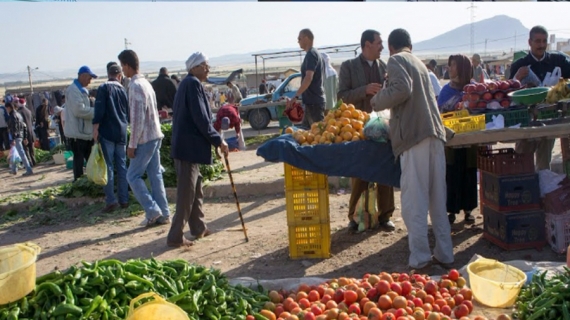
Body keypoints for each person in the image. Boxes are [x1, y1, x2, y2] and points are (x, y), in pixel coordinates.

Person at [371, 28, 454, 272]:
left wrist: (377, 101)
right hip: (435, 136)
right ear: (411, 45)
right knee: (437, 201)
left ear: (390, 46)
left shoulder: (396, 60)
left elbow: (401, 89)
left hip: (415, 138)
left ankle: (420, 259)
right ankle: (445, 254)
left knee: (414, 202)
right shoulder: (418, 62)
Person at [167, 52, 229, 247]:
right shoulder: (192, 84)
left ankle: (199, 228)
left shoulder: (188, 84)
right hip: (188, 148)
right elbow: (201, 119)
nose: (208, 68)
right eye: (204, 65)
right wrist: (218, 140)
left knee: (196, 187)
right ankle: (175, 236)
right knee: (186, 194)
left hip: (187, 147)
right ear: (194, 68)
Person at [338, 29, 395, 232]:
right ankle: (355, 217)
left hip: (383, 125)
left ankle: (385, 215)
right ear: (367, 45)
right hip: (358, 128)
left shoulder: (385, 66)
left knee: (385, 169)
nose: (382, 46)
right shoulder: (348, 67)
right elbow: (342, 96)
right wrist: (364, 90)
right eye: (378, 43)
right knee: (359, 171)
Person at [118, 49, 170, 227]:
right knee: (155, 175)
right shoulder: (146, 83)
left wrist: (132, 144)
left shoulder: (135, 86)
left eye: (122, 66)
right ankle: (164, 213)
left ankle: (152, 209)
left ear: (126, 65)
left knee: (132, 176)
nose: (122, 71)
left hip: (145, 138)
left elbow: (138, 119)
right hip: (155, 135)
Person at [510, 26, 570, 171]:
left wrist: (561, 87)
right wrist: (517, 78)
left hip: (551, 117)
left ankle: (544, 189)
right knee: (522, 162)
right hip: (526, 119)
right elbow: (509, 91)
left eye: (544, 41)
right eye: (537, 41)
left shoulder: (558, 60)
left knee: (544, 164)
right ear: (529, 42)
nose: (541, 45)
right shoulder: (519, 65)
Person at [437, 55, 478, 224]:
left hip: (470, 137)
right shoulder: (446, 90)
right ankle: (452, 211)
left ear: (462, 68)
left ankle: (468, 210)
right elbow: (439, 111)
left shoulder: (474, 89)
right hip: (452, 140)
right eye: (450, 65)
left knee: (469, 171)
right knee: (452, 172)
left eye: (453, 65)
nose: (450, 69)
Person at [93, 63, 130, 213]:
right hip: (121, 132)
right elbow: (127, 112)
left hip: (107, 132)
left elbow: (99, 110)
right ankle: (124, 199)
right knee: (122, 166)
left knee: (107, 166)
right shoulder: (123, 90)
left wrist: (95, 128)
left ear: (109, 74)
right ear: (120, 76)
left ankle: (111, 200)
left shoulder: (103, 88)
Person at [287, 28, 325, 129]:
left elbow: (308, 78)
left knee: (318, 135)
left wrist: (296, 96)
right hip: (311, 102)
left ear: (306, 38)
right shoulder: (314, 54)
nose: (298, 41)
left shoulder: (311, 55)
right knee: (306, 135)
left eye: (299, 38)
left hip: (314, 103)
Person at [64, 66, 97, 181]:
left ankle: (90, 180)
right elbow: (79, 110)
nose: (90, 81)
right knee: (78, 159)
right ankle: (78, 182)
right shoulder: (73, 90)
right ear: (82, 76)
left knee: (88, 159)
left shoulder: (81, 90)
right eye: (89, 78)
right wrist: (97, 112)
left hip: (84, 132)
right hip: (77, 133)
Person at [5, 102, 33, 176]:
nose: (6, 110)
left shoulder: (13, 116)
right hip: (20, 136)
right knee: (15, 153)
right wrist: (25, 137)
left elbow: (15, 128)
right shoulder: (18, 114)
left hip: (16, 137)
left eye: (6, 108)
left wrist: (13, 138)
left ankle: (28, 169)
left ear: (9, 108)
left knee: (21, 153)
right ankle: (14, 169)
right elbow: (24, 126)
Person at [17, 98, 36, 167]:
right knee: (31, 148)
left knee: (25, 149)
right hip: (31, 131)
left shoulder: (18, 112)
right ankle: (34, 161)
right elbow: (31, 121)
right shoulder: (29, 111)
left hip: (24, 132)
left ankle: (29, 163)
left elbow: (20, 124)